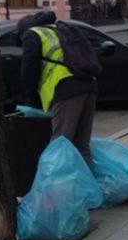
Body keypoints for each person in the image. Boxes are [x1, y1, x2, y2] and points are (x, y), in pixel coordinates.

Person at [19, 11, 98, 165]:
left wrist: (31, 101)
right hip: (89, 86)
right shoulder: (61, 30)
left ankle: (57, 187)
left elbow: (29, 71)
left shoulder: (33, 34)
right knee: (81, 145)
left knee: (61, 143)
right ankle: (89, 187)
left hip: (67, 90)